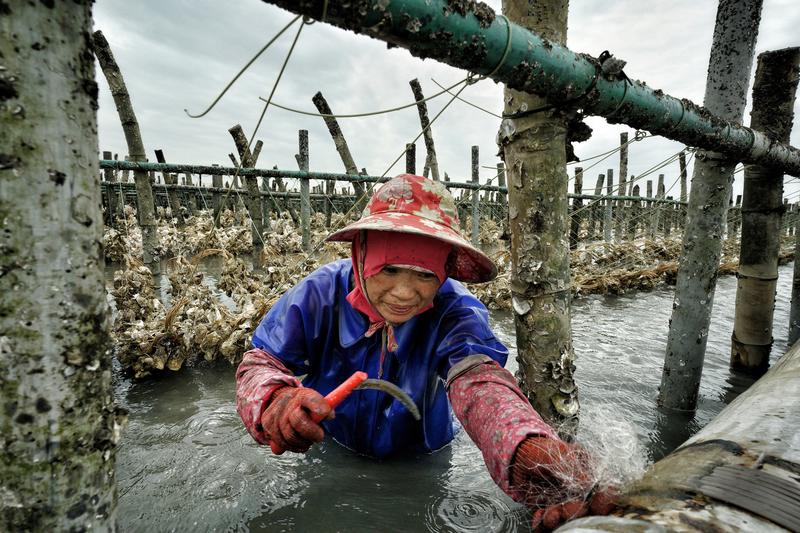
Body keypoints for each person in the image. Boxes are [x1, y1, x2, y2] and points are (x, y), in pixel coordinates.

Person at [236, 174, 615, 530]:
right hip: (332, 446)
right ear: (360, 254)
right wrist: (277, 400)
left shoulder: (456, 311)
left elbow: (479, 380)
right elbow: (261, 361)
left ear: (445, 273)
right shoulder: (320, 294)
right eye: (389, 270)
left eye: (425, 275)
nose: (404, 293)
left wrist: (524, 449)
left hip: (423, 457)